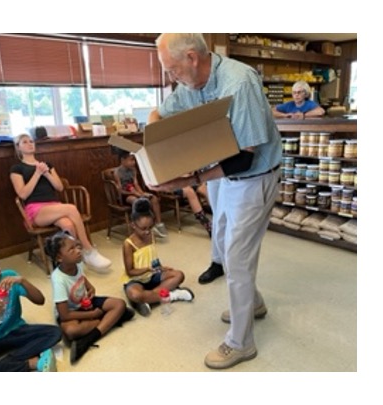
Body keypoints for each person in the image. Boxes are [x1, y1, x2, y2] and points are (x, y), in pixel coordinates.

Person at [148, 33, 281, 369]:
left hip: (252, 176)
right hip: (224, 174)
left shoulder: (239, 82)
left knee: (236, 257)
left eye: (173, 69)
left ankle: (241, 343)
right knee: (222, 243)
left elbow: (244, 159)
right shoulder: (190, 84)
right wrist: (156, 145)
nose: (171, 77)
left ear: (193, 57)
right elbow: (158, 114)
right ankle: (254, 304)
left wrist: (187, 180)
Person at [10, 133, 111, 270]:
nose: (30, 144)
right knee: (71, 208)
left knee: (68, 225)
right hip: (36, 209)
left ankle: (74, 260)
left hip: (54, 206)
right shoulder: (17, 168)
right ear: (18, 147)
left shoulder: (46, 165)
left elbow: (59, 187)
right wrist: (37, 174)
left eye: (31, 141)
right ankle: (88, 250)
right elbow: (22, 194)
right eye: (25, 142)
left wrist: (46, 173)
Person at [45, 230, 133, 364]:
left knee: (119, 304)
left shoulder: (78, 263)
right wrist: (93, 314)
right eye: (72, 249)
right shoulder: (58, 279)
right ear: (59, 258)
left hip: (85, 303)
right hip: (71, 312)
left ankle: (88, 339)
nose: (78, 250)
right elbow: (65, 315)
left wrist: (90, 289)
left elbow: (82, 279)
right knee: (71, 332)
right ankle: (109, 320)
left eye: (77, 246)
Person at [122, 198, 194, 317]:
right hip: (136, 280)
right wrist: (147, 269)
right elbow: (130, 272)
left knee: (179, 275)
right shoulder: (128, 244)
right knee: (136, 295)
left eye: (150, 227)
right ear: (133, 225)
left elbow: (152, 257)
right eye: (143, 228)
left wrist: (161, 268)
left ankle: (148, 299)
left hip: (152, 275)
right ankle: (172, 295)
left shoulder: (151, 235)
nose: (147, 232)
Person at [113, 150, 168, 238]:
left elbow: (136, 184)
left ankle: (158, 223)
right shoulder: (117, 172)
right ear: (122, 160)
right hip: (126, 195)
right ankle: (140, 226)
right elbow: (120, 190)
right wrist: (135, 194)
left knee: (153, 198)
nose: (133, 162)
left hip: (135, 192)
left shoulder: (133, 170)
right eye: (130, 160)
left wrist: (141, 193)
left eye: (134, 160)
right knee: (137, 201)